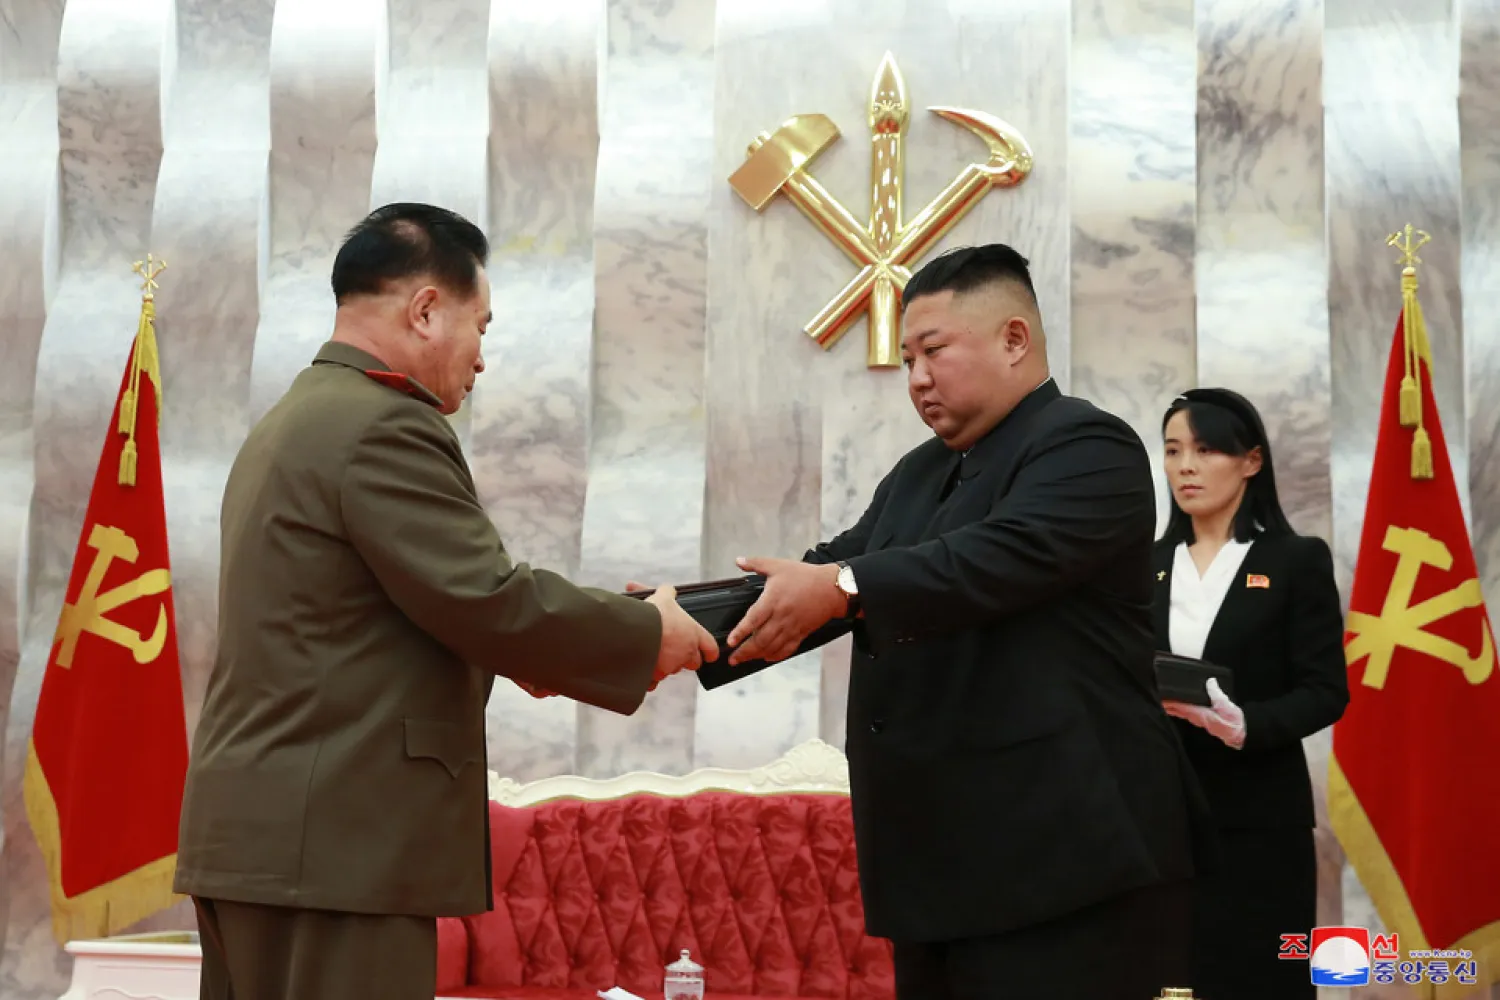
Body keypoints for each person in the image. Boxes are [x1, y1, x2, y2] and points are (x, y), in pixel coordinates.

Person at [173, 202, 718, 1000]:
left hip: (273, 839)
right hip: (336, 848)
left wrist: (526, 653)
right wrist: (647, 632)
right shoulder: (380, 424)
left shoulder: (296, 419)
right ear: (426, 310)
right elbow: (486, 597)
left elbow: (391, 615)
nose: (482, 359)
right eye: (481, 327)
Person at [698, 244, 1216, 1000]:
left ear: (1014, 340)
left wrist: (842, 585)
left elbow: (986, 561)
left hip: (1064, 863)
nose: (916, 378)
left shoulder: (1088, 445)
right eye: (908, 359)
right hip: (937, 864)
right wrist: (667, 626)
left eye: (933, 351)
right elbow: (825, 572)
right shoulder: (920, 471)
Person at [1153, 388, 1349, 1000]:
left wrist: (1248, 725)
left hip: (1258, 820)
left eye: (1206, 450)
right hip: (1156, 819)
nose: (1186, 466)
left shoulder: (1295, 561)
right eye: (1173, 451)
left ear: (1251, 461)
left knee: (1259, 979)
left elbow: (1325, 690)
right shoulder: (1140, 566)